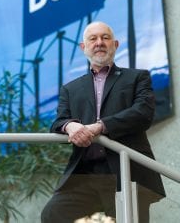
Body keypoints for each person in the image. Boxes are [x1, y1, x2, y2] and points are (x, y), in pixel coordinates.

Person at [41, 21, 165, 223]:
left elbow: (143, 113)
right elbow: (59, 121)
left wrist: (99, 126)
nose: (99, 42)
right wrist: (70, 125)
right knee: (53, 213)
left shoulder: (137, 77)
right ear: (83, 48)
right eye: (93, 38)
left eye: (105, 38)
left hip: (127, 171)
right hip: (86, 174)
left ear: (115, 45)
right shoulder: (70, 89)